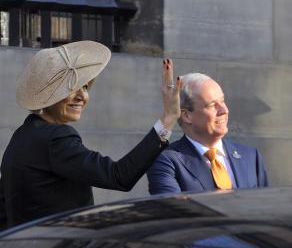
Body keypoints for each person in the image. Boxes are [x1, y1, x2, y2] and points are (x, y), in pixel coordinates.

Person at [0, 40, 181, 228]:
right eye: (71, 88)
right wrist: (168, 119)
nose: (82, 96)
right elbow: (119, 176)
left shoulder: (22, 135)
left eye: (85, 87)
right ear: (48, 96)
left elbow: (5, 210)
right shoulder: (56, 139)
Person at [147, 72, 268, 195]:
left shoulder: (250, 156)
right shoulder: (166, 161)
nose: (224, 110)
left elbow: (265, 207)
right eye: (212, 105)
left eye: (222, 101)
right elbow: (173, 211)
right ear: (187, 116)